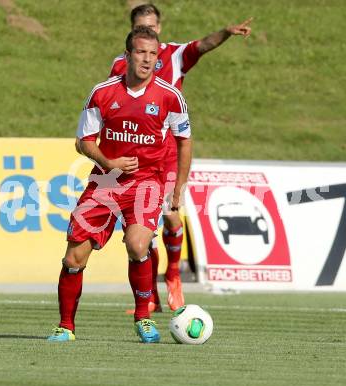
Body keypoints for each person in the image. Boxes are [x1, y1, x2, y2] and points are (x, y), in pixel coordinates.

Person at [48, 26, 192, 343]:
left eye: (153, 54)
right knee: (74, 258)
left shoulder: (170, 97)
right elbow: (83, 142)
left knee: (138, 244)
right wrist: (109, 162)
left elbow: (184, 142)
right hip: (105, 183)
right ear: (126, 55)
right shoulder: (103, 93)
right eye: (141, 52)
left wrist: (178, 186)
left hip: (146, 184)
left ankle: (143, 318)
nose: (147, 59)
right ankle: (66, 326)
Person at [108, 4, 253, 313]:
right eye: (139, 27)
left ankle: (173, 275)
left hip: (169, 153)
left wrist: (225, 33)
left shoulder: (174, 54)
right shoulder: (121, 64)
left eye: (151, 26)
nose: (147, 32)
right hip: (138, 155)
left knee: (172, 214)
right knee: (142, 235)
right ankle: (151, 297)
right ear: (132, 32)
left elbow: (203, 44)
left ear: (159, 29)